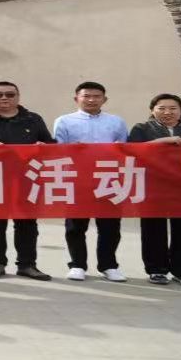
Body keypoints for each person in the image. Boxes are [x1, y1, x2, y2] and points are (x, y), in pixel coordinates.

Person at [0, 81, 54, 280]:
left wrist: (44, 146)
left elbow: (49, 143)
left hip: (27, 177)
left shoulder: (33, 119)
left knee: (27, 222)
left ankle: (27, 265)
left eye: (9, 94)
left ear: (18, 97)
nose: (4, 98)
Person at [130, 93, 181, 287]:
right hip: (152, 187)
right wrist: (165, 140)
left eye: (173, 108)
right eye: (161, 108)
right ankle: (156, 270)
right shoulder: (142, 129)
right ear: (152, 111)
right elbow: (133, 150)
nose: (167, 112)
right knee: (153, 230)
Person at [54, 81, 130, 282]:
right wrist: (72, 149)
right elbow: (57, 149)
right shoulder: (64, 121)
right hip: (77, 179)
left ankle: (109, 265)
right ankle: (77, 265)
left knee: (110, 226)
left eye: (96, 96)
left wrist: (118, 148)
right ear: (76, 98)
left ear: (104, 99)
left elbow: (126, 149)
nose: (91, 100)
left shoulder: (116, 122)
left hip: (108, 178)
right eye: (86, 96)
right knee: (75, 226)